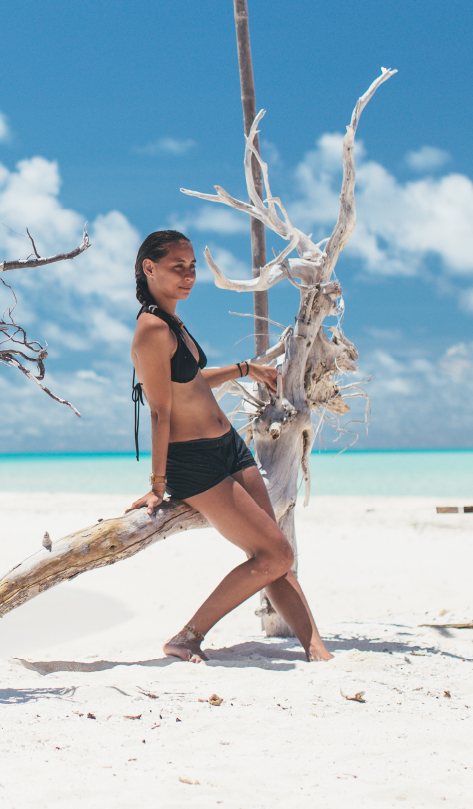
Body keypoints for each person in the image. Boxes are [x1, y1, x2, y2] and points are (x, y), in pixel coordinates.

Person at [128, 229, 332, 663]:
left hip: (229, 448)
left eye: (192, 267)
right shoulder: (150, 329)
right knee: (276, 553)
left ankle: (316, 650)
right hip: (196, 463)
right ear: (150, 269)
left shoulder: (173, 321)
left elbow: (192, 382)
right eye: (176, 267)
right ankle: (186, 637)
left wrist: (244, 369)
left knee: (271, 550)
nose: (188, 276)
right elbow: (160, 411)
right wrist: (157, 484)